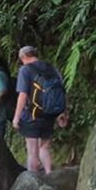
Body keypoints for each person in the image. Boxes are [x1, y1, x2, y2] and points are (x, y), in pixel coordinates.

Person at [12, 46, 69, 174]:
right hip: (49, 114)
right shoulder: (51, 68)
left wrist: (16, 117)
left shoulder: (25, 70)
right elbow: (61, 91)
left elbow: (23, 95)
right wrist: (63, 112)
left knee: (32, 151)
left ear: (24, 57)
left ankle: (33, 180)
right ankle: (49, 174)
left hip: (32, 116)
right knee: (44, 147)